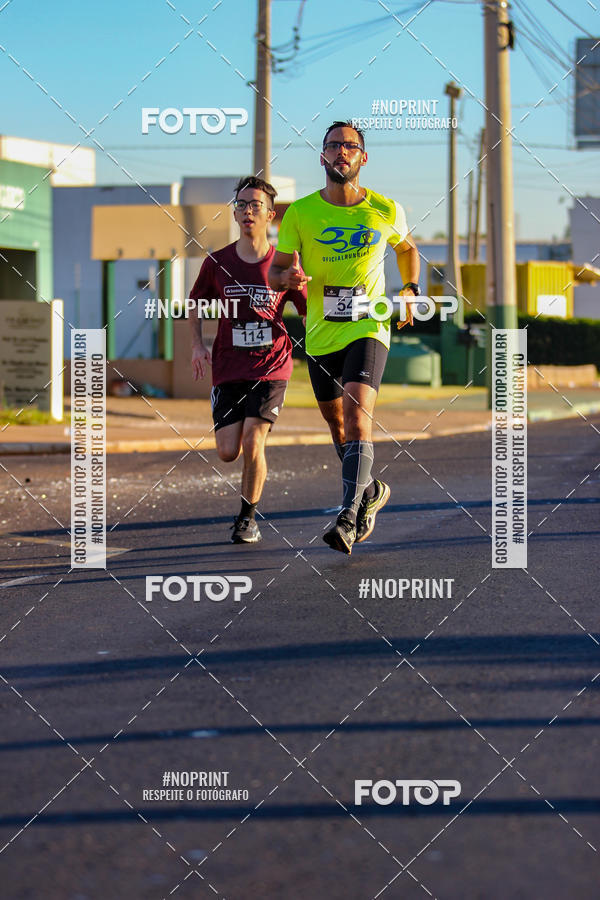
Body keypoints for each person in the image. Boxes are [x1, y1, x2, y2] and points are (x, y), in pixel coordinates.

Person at [269, 120, 420, 555]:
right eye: (333, 145)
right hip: (320, 333)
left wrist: (410, 289)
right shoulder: (300, 212)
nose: (341, 151)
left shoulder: (385, 208)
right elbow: (276, 271)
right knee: (338, 426)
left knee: (357, 416)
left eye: (350, 146)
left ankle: (349, 517)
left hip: (368, 325)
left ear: (363, 157)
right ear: (322, 156)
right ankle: (370, 491)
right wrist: (286, 279)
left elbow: (407, 249)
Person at [189, 176, 306, 544]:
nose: (247, 211)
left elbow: (307, 312)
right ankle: (246, 507)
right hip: (228, 366)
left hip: (272, 365)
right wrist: (197, 345)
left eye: (256, 205)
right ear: (234, 213)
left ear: (270, 215)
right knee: (228, 452)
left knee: (255, 442)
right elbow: (195, 302)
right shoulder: (218, 262)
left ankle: (247, 518)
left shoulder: (283, 264)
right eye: (241, 204)